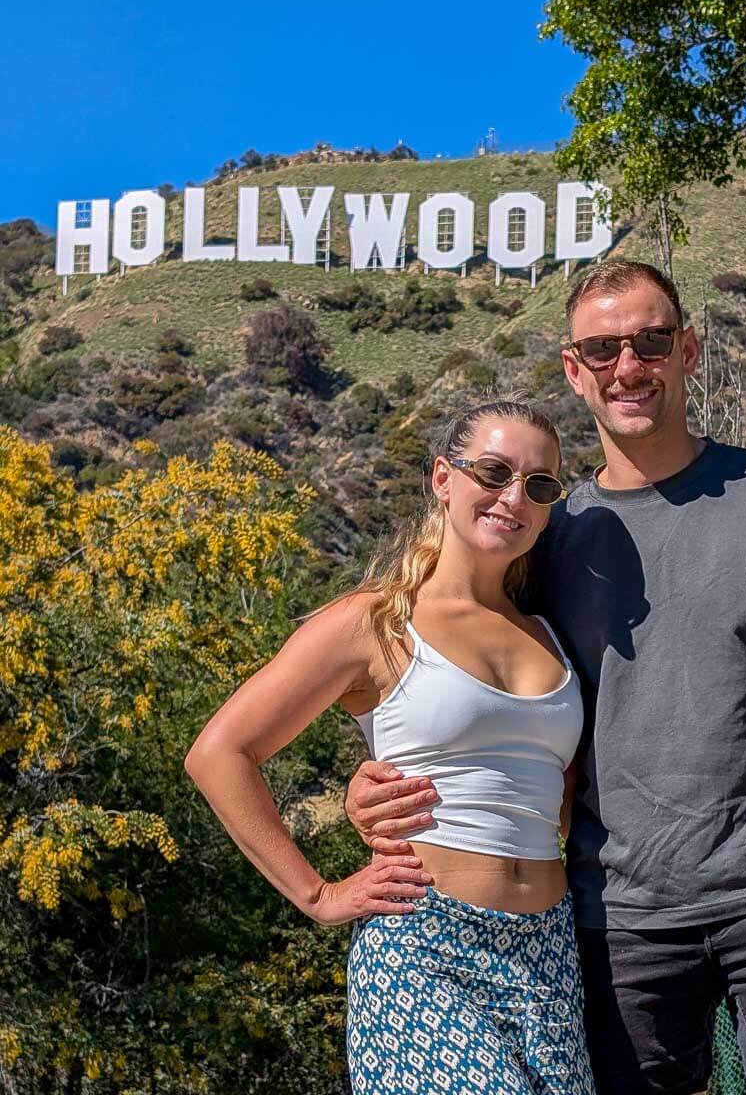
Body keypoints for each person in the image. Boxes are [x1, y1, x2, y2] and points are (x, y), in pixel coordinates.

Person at [345, 260, 746, 1095]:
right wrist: (374, 782)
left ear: (688, 351)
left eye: (651, 342)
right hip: (617, 916)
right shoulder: (546, 536)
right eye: (603, 348)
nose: (629, 366)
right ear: (573, 368)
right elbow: (461, 689)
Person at [184, 399, 597, 1095]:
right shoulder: (375, 621)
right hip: (425, 947)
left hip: (548, 954)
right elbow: (220, 753)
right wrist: (318, 894)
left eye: (539, 485)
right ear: (443, 478)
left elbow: (558, 800)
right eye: (493, 472)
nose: (513, 498)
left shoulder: (550, 633)